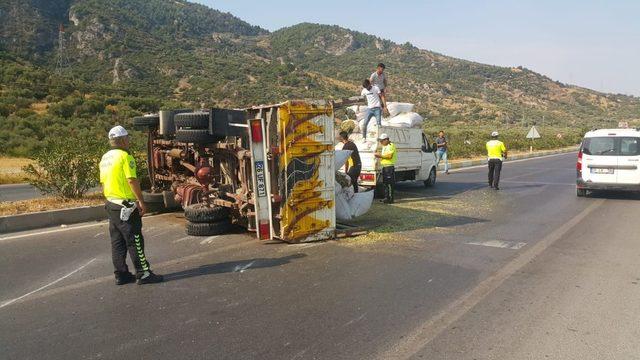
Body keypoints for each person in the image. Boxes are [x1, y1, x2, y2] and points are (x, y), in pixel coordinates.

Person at [99, 125, 163, 285]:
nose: (129, 140)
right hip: (125, 205)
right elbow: (131, 180)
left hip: (111, 204)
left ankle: (121, 274)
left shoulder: (105, 158)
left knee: (117, 241)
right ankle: (143, 273)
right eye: (127, 138)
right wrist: (141, 200)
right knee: (135, 239)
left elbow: (103, 181)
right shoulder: (126, 157)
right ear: (122, 140)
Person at [374, 133, 397, 203]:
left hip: (389, 167)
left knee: (389, 184)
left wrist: (380, 156)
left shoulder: (391, 145)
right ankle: (386, 197)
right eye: (380, 141)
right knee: (385, 183)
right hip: (385, 167)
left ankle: (390, 199)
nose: (381, 142)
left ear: (386, 140)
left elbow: (389, 156)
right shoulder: (385, 146)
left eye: (382, 141)